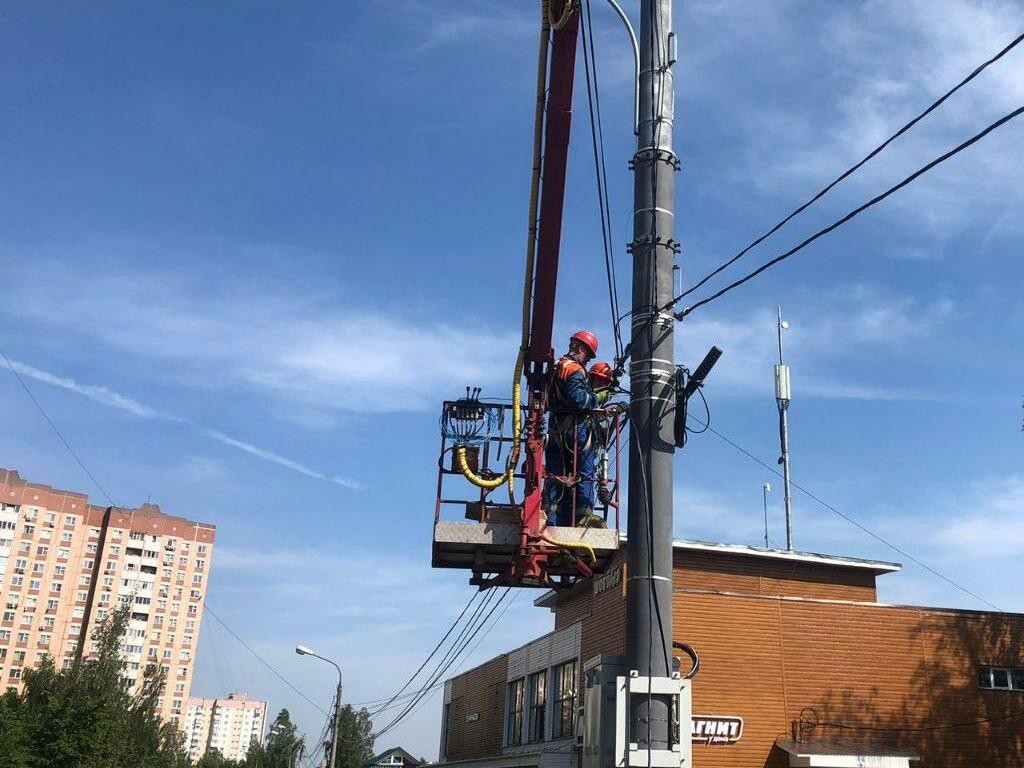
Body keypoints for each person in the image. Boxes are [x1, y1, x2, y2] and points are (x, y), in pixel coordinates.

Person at [544, 330, 602, 527]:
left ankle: (551, 520)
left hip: (554, 430)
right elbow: (579, 400)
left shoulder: (556, 367)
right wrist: (596, 398)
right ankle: (583, 519)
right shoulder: (575, 370)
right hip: (574, 430)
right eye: (588, 355)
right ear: (580, 349)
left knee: (555, 475)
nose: (587, 360)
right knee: (585, 473)